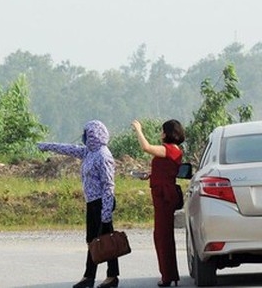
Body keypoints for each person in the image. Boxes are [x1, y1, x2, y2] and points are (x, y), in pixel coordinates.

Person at [38, 120, 119, 288]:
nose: (84, 136)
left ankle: (90, 277)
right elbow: (69, 149)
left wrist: (105, 213)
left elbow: (109, 185)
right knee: (102, 240)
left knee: (98, 239)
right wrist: (47, 146)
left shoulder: (103, 156)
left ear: (94, 135)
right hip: (92, 202)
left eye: (87, 133)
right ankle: (110, 276)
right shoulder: (89, 152)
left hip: (102, 202)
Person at [131, 119, 185, 287]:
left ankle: (167, 276)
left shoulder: (169, 149)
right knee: (163, 236)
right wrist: (150, 174)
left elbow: (146, 147)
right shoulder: (174, 151)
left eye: (162, 131)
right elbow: (165, 170)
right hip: (163, 194)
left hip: (164, 196)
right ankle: (169, 274)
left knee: (162, 237)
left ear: (168, 133)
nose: (160, 134)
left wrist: (138, 130)